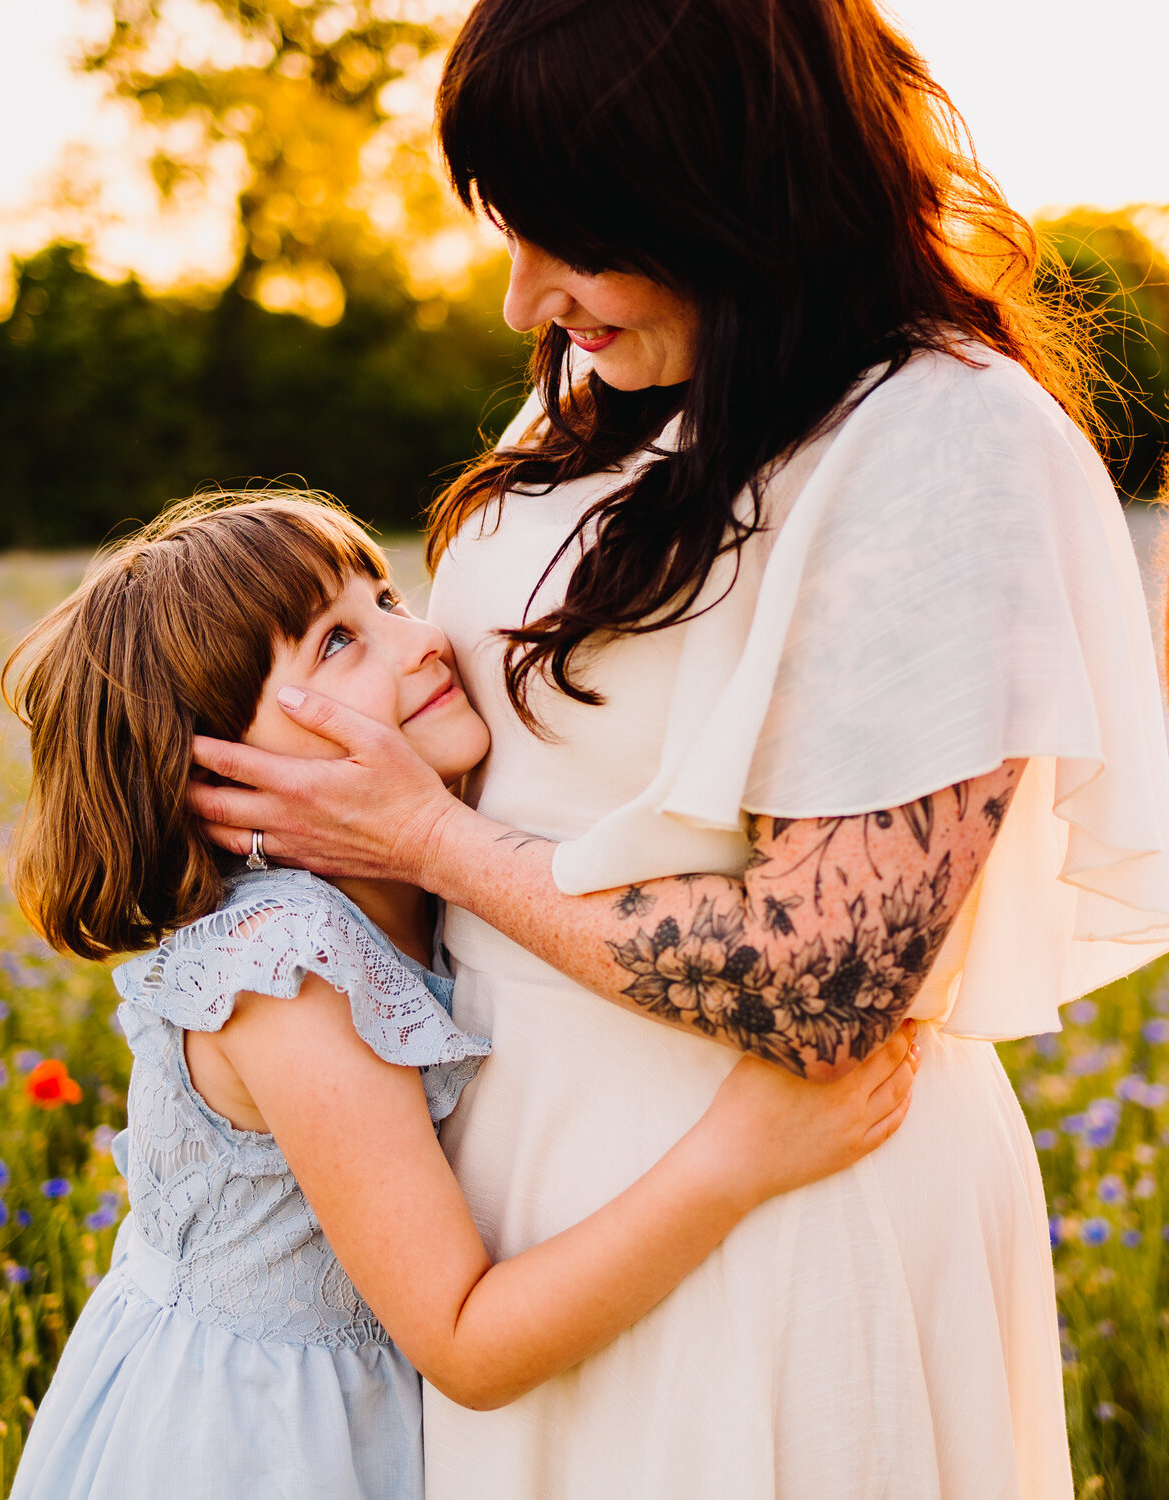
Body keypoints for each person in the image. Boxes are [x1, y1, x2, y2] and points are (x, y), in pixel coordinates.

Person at [189, 2, 1169, 1497]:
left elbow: (826, 982)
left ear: (729, 188)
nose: (525, 300)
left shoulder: (940, 440)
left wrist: (427, 844)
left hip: (777, 1201)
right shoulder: (618, 387)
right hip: (529, 1200)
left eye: (573, 236)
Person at [2, 492, 919, 1500]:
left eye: (387, 596)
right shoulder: (291, 972)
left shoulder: (413, 887)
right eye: (337, 642)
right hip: (253, 1449)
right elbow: (466, 1343)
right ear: (218, 774)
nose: (421, 640)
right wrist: (739, 1156)